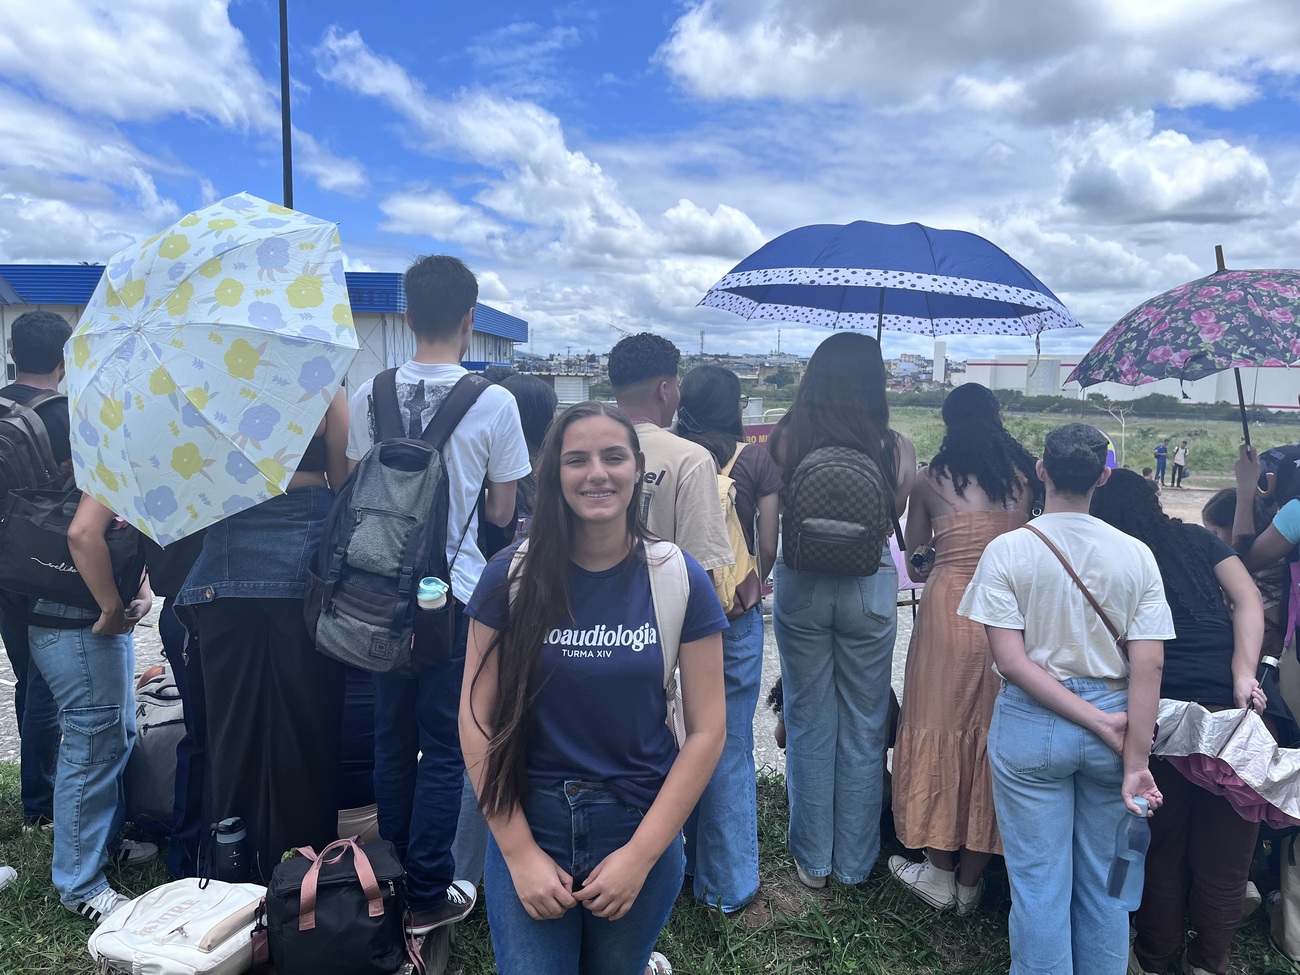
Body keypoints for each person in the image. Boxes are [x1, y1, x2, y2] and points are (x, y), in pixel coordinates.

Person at [460, 401, 726, 975]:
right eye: (576, 459)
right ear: (553, 472)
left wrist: (641, 855)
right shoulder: (508, 576)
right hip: (531, 820)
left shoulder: (679, 577)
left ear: (636, 469)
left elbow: (707, 731)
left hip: (637, 820)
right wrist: (519, 853)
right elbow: (475, 719)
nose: (597, 473)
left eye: (613, 457)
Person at [345, 255, 530, 937]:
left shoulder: (372, 391)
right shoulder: (495, 401)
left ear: (405, 317)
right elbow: (505, 510)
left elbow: (358, 482)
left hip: (377, 593)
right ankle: (428, 888)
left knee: (390, 735)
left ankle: (391, 875)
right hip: (451, 596)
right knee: (449, 743)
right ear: (471, 319)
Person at [958, 423, 1174, 975]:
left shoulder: (1008, 550)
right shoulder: (1136, 555)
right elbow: (1149, 663)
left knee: (1037, 886)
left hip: (1033, 727)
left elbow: (1011, 661)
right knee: (1107, 887)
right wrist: (1134, 756)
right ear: (1104, 475)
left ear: (1041, 471)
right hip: (1121, 721)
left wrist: (1093, 722)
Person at [1092, 469, 1266, 975]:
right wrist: (1242, 675)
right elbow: (1250, 600)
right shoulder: (1193, 538)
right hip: (1232, 719)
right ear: (1154, 499)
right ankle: (1210, 964)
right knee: (1226, 860)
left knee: (1161, 849)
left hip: (1161, 717)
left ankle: (1154, 959)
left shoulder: (1112, 555)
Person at [177, 388, 351, 880]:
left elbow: (196, 480)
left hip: (222, 577)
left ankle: (233, 870)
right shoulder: (323, 388)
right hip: (304, 578)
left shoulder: (199, 392)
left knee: (232, 734)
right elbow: (342, 481)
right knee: (308, 730)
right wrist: (308, 476)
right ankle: (305, 873)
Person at [767, 332, 916, 888]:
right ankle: (855, 864)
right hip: (869, 586)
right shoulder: (896, 445)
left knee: (808, 718)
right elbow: (892, 513)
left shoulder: (786, 435)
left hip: (800, 582)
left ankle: (812, 861)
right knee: (863, 722)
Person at [889, 383, 1038, 913]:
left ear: (950, 425)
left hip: (950, 606)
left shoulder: (930, 481)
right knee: (991, 732)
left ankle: (937, 870)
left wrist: (932, 555)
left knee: (938, 721)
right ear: (997, 418)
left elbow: (914, 563)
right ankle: (973, 882)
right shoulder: (1024, 478)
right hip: (1009, 609)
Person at [675, 364, 781, 913]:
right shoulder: (755, 460)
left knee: (679, 741)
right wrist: (751, 583)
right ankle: (729, 885)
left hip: (675, 616)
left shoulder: (672, 453)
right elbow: (768, 544)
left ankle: (678, 869)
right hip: (734, 617)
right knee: (731, 744)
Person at [31, 494, 157, 921]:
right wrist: (110, 605)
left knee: (114, 736)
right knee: (91, 748)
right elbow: (83, 533)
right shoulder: (106, 459)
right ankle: (80, 884)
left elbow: (115, 535)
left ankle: (99, 846)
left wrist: (139, 595)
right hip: (78, 624)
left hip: (94, 624)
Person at [455, 370, 558, 888]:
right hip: (536, 623)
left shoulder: (488, 473)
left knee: (476, 729)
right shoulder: (547, 481)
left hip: (482, 608)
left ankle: (463, 871)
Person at [0, 310, 70, 828]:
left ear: (11, 352)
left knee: (28, 675)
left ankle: (37, 792)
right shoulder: (65, 414)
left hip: (1, 564)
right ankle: (42, 804)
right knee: (50, 683)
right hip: (46, 562)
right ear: (64, 359)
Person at [607, 333, 732, 578]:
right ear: (664, 390)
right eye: (677, 386)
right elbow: (700, 567)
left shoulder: (577, 451)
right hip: (661, 608)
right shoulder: (690, 459)